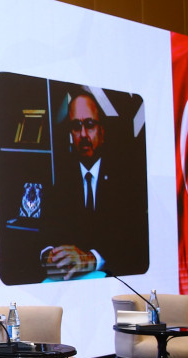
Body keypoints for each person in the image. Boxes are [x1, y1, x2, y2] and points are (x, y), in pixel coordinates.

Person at [39, 90, 146, 280]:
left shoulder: (125, 179)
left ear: (102, 131)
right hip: (69, 280)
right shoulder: (61, 178)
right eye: (76, 126)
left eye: (89, 125)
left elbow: (132, 242)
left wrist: (91, 259)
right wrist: (50, 256)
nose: (82, 134)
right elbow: (46, 234)